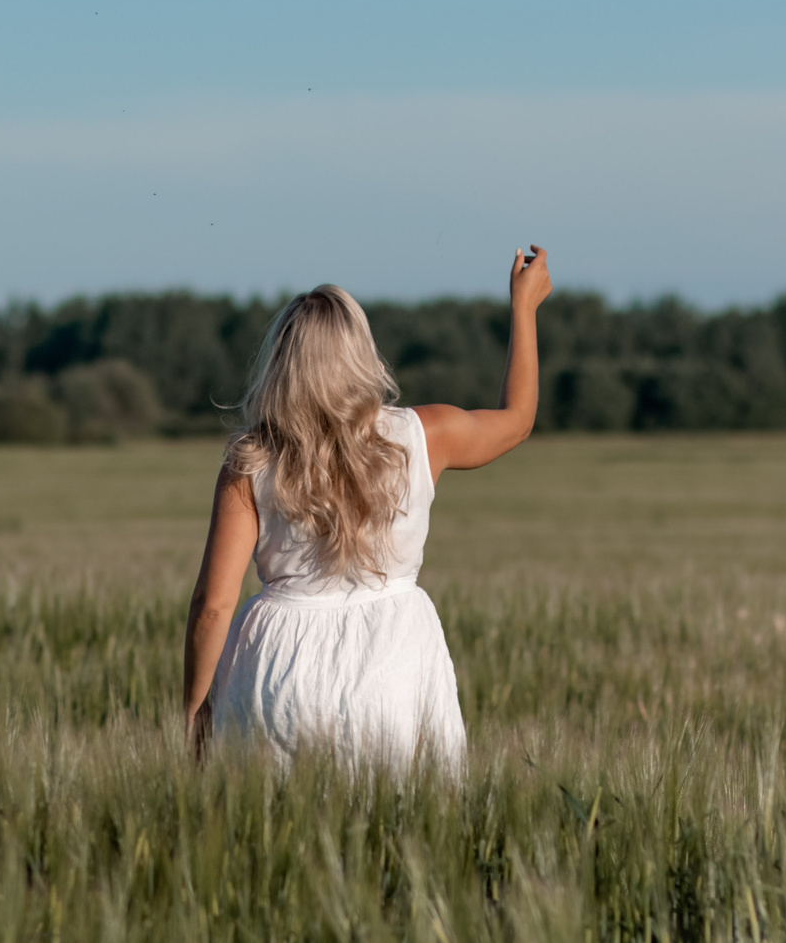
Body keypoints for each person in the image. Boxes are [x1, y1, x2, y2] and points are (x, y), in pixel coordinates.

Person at [181, 246, 553, 772]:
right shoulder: (423, 435)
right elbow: (516, 420)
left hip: (276, 669)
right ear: (362, 355)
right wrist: (524, 307)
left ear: (280, 363)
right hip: (395, 657)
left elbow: (213, 607)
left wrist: (196, 717)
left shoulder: (250, 463)